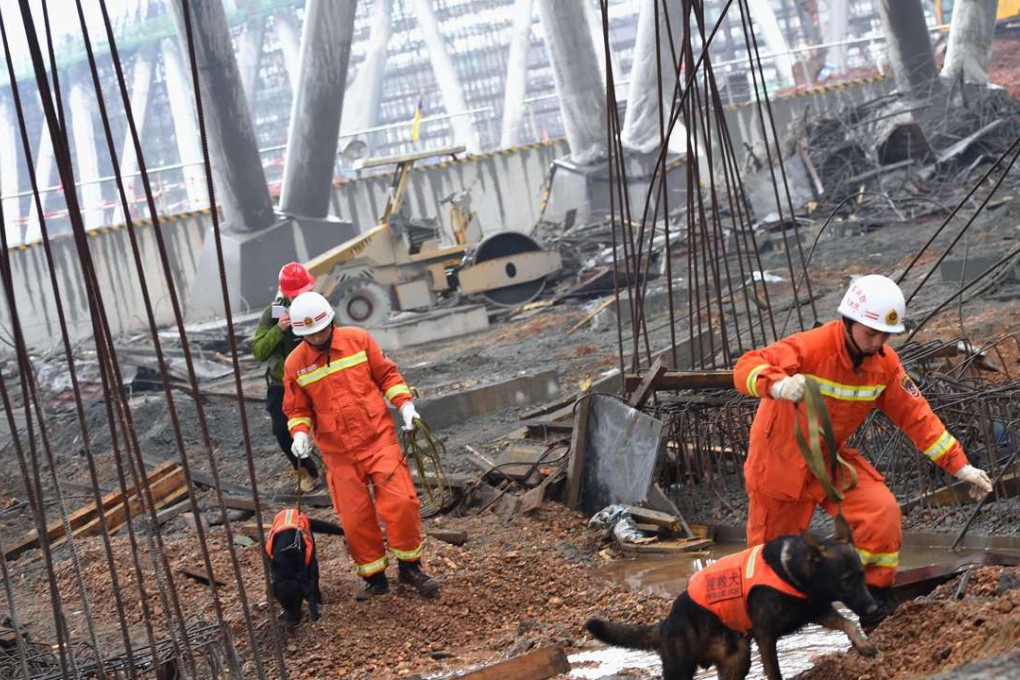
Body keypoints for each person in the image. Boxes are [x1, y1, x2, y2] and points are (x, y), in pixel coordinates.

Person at [734, 274, 993, 627]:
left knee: (880, 514)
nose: (877, 342)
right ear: (848, 322)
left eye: (885, 335)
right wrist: (777, 384)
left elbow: (916, 416)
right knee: (769, 568)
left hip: (828, 461)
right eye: (871, 333)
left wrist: (960, 466)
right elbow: (747, 365)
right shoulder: (813, 347)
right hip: (778, 467)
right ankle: (752, 635)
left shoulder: (884, 365)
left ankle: (873, 605)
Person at [282, 291, 439, 601]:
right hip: (338, 453)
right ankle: (374, 577)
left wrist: (405, 405)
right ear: (301, 334)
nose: (317, 337)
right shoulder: (295, 364)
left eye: (321, 330)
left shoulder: (358, 340)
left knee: (403, 503)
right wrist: (300, 434)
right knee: (355, 518)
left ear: (331, 321)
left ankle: (410, 569)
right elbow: (297, 409)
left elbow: (387, 376)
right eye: (309, 334)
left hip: (378, 439)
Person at [251, 263, 321, 493]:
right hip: (284, 383)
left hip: (317, 377)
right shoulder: (276, 313)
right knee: (282, 430)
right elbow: (259, 351)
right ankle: (305, 470)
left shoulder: (317, 306)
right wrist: (278, 330)